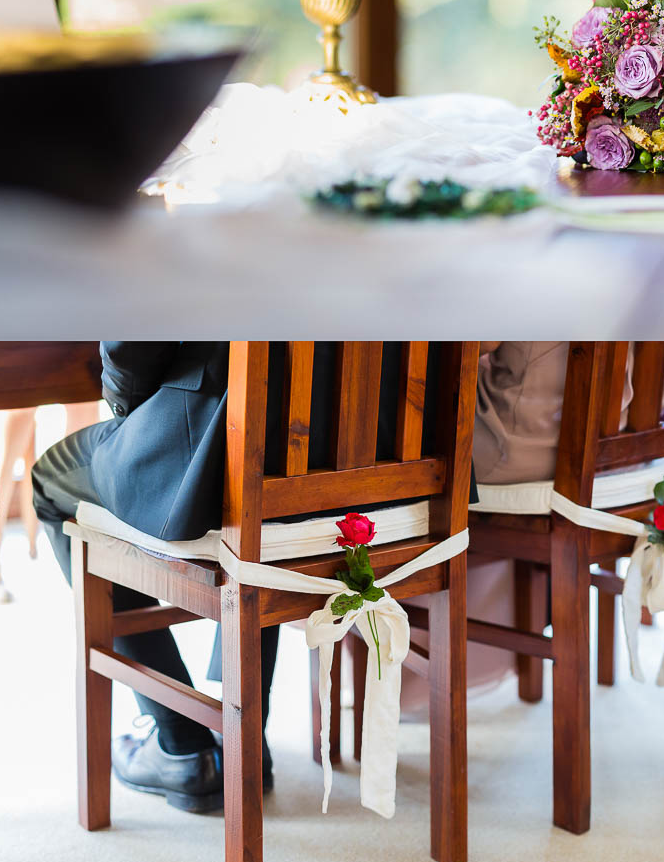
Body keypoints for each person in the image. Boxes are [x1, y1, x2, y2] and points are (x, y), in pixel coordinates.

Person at [30, 343, 421, 813]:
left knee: (49, 480)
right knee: (267, 500)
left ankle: (182, 746)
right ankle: (246, 744)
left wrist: (132, 408)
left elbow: (132, 343)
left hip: (225, 443)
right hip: (385, 462)